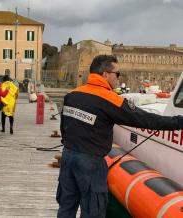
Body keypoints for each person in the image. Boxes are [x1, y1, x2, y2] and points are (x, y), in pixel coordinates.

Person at [57, 55, 183, 218]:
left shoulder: (72, 95)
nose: (119, 78)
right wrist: (178, 121)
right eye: (117, 74)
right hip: (91, 163)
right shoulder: (110, 99)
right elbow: (145, 119)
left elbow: (64, 126)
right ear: (105, 74)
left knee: (66, 206)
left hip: (68, 157)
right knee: (93, 211)